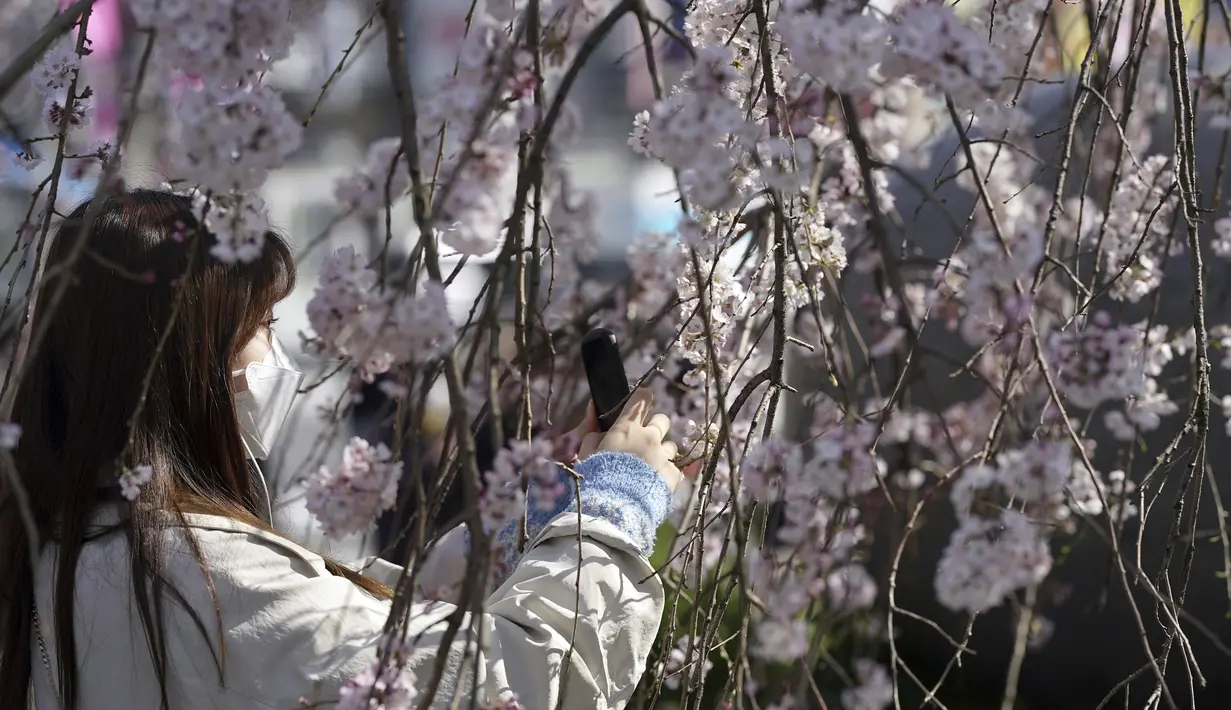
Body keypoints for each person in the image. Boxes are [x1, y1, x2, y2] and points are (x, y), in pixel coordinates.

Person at [0, 189, 686, 710]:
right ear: (190, 361)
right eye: (262, 325)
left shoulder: (59, 541)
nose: (279, 352)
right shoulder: (202, 576)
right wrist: (610, 510)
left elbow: (369, 630)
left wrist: (541, 522)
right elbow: (511, 679)